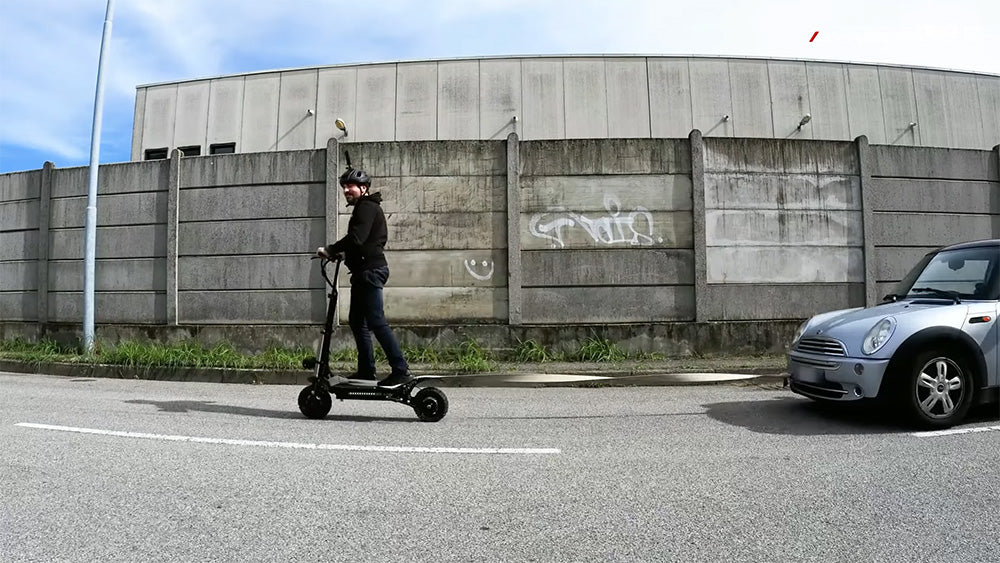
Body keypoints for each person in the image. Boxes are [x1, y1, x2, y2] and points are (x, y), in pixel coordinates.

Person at [316, 167, 411, 387]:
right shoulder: (365, 208)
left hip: (370, 272)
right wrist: (341, 253)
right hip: (363, 271)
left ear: (364, 188)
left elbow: (357, 238)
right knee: (358, 322)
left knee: (376, 321)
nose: (347, 190)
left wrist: (331, 249)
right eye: (344, 187)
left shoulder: (366, 207)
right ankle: (367, 370)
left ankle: (401, 370)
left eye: (351, 186)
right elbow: (363, 241)